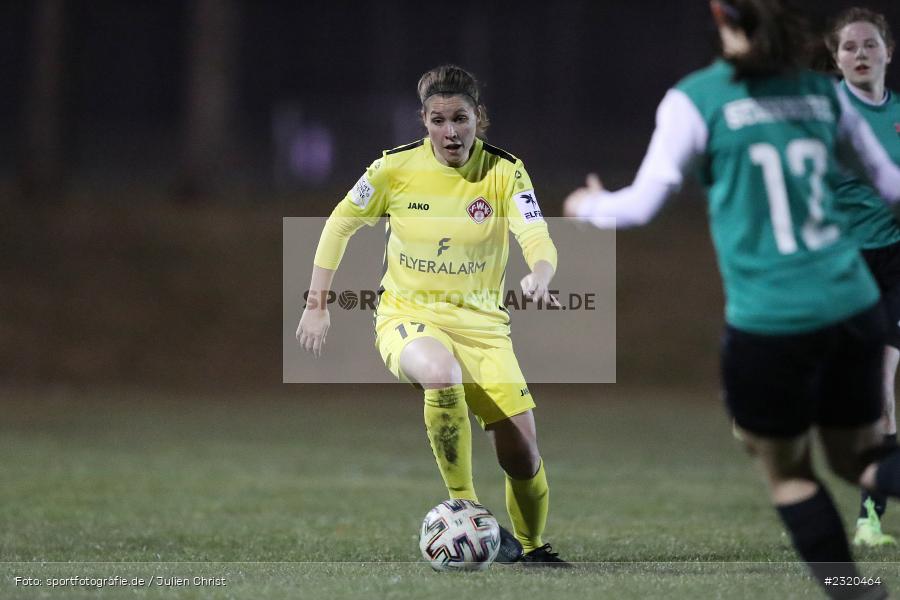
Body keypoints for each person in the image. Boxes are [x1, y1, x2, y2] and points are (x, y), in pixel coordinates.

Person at [563, 0, 900, 596]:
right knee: (860, 462)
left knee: (788, 472)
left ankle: (854, 590)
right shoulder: (823, 95)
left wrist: (586, 206)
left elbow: (640, 206)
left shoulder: (696, 98)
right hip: (853, 305)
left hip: (772, 319)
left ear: (722, 19)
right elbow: (891, 186)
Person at [297, 65, 568, 566]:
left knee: (523, 456)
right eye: (439, 120)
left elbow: (535, 234)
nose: (450, 132)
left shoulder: (505, 171)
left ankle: (532, 549)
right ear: (423, 120)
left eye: (460, 119)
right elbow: (339, 223)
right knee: (440, 373)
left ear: (478, 118)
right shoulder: (392, 169)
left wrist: (542, 273)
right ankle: (465, 504)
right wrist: (317, 305)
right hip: (407, 315)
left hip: (485, 329)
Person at [824, 6, 900, 548]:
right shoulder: (824, 112)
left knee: (882, 386)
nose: (860, 54)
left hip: (894, 261)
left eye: (870, 44)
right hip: (837, 264)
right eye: (849, 47)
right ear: (835, 58)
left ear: (888, 53)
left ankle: (870, 520)